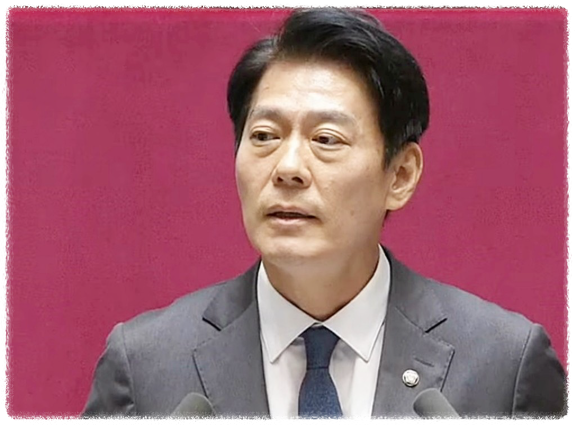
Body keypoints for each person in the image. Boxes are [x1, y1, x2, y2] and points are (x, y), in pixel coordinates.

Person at [81, 8, 566, 418]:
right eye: (265, 136)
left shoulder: (504, 366)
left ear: (400, 175)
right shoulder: (145, 367)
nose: (288, 168)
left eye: (326, 140)